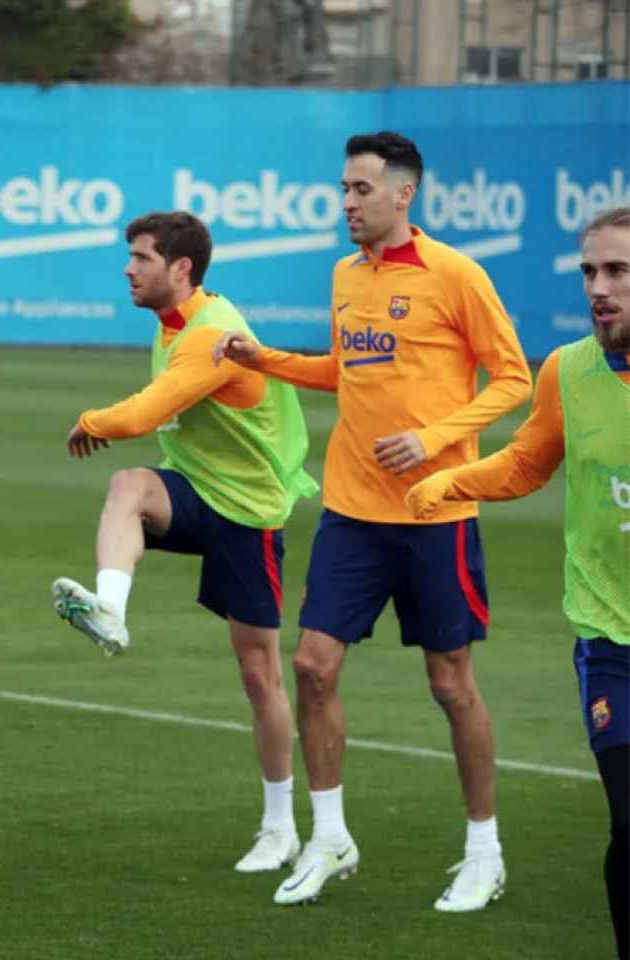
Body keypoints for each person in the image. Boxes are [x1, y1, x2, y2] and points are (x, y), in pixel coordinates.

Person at [214, 131, 532, 910]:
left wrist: (433, 439)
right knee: (313, 666)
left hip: (437, 512)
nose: (347, 204)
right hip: (351, 512)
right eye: (344, 190)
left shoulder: (456, 275)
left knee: (450, 685)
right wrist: (266, 360)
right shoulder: (344, 276)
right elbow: (344, 370)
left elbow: (515, 377)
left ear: (402, 195)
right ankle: (329, 837)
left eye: (361, 190)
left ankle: (483, 852)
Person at [55, 210, 317, 872]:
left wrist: (89, 418)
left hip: (249, 511)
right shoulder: (172, 323)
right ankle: (110, 612)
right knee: (129, 488)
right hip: (197, 489)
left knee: (259, 674)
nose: (127, 268)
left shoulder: (213, 333)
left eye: (141, 257)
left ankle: (281, 825)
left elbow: (144, 413)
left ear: (181, 269)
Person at [407, 205, 630, 956]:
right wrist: (451, 481)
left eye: (618, 272)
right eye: (590, 272)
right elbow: (527, 463)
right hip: (611, 638)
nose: (599, 288)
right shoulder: (567, 370)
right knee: (629, 824)